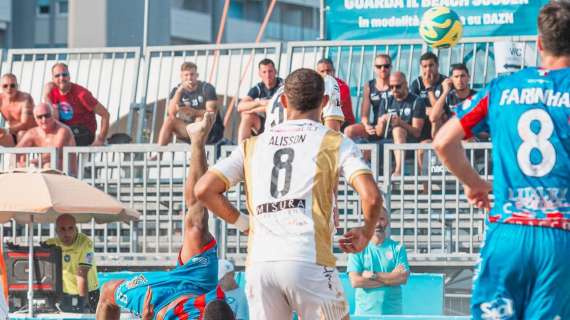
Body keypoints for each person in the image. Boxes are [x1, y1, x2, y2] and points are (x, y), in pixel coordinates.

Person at [196, 68, 383, 320]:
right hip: (308, 257)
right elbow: (371, 196)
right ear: (324, 102)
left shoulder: (252, 145)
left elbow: (204, 189)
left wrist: (244, 224)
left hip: (261, 264)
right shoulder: (334, 141)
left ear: (283, 101)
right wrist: (367, 230)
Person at [433, 2, 570, 319]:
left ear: (539, 43)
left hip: (508, 231)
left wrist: (475, 183)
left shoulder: (501, 88)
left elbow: (442, 141)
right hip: (560, 236)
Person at [96, 112, 234, 320]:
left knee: (108, 291)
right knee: (197, 223)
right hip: (200, 286)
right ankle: (198, 140)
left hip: (159, 300)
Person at [348, 212, 409, 315]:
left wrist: (373, 275)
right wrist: (391, 279)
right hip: (365, 316)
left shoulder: (398, 248)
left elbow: (402, 278)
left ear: (387, 221)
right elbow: (355, 281)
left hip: (393, 316)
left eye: (381, 219)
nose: (377, 224)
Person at [156, 62, 224, 147]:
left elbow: (212, 113)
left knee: (200, 119)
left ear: (197, 75)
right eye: (186, 75)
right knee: (170, 120)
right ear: (181, 77)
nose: (189, 78)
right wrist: (179, 91)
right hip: (189, 130)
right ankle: (158, 154)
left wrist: (194, 112)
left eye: (192, 74)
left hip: (211, 132)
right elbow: (171, 113)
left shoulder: (207, 88)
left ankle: (196, 152)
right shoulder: (177, 90)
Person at [43, 63, 110, 146]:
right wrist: (46, 96)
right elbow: (53, 118)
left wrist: (100, 139)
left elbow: (105, 114)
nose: (61, 78)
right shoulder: (52, 93)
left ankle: (43, 159)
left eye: (64, 74)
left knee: (62, 137)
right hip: (65, 131)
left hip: (84, 132)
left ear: (69, 76)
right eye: (57, 76)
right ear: (52, 79)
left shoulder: (81, 94)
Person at [45, 214, 100, 313]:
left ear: (76, 229)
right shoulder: (50, 244)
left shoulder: (86, 243)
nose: (67, 233)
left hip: (89, 292)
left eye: (70, 228)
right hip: (64, 294)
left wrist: (84, 305)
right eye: (62, 229)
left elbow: (82, 274)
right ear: (56, 231)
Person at [375, 72, 425, 177]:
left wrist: (400, 123)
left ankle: (399, 170)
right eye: (391, 87)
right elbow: (379, 133)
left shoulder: (416, 101)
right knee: (365, 148)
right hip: (388, 141)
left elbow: (417, 132)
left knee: (397, 130)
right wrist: (382, 122)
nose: (394, 89)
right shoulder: (386, 101)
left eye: (398, 86)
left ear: (406, 84)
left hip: (409, 142)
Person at [265, 74, 345, 131]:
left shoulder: (280, 91)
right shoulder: (328, 82)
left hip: (268, 146)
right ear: (324, 100)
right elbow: (332, 134)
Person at [344, 54, 392, 142]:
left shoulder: (396, 84)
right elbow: (364, 115)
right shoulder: (369, 86)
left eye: (386, 66)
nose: (383, 69)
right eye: (379, 66)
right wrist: (366, 126)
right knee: (349, 131)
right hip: (375, 126)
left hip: (392, 125)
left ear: (391, 67)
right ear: (374, 68)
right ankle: (351, 155)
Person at [17, 103, 76, 169]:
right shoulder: (33, 133)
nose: (44, 119)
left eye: (47, 115)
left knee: (48, 165)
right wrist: (18, 164)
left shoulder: (63, 130)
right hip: (44, 171)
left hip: (68, 174)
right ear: (35, 119)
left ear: (53, 115)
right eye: (40, 117)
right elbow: (16, 151)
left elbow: (54, 153)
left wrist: (30, 163)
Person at [237, 58, 283, 142]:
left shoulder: (282, 85)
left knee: (248, 111)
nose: (267, 75)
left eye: (270, 71)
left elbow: (277, 106)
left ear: (275, 71)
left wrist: (255, 108)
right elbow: (240, 107)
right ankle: (242, 150)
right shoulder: (258, 87)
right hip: (265, 123)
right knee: (246, 116)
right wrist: (261, 102)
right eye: (264, 72)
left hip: (280, 124)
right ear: (259, 74)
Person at [429, 63, 477, 138]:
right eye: (456, 77)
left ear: (469, 78)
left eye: (462, 76)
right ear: (451, 80)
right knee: (424, 144)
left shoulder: (477, 97)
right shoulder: (448, 97)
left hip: (471, 136)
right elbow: (433, 118)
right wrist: (445, 92)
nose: (459, 80)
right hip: (451, 136)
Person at [316, 58, 356, 130]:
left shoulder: (341, 86)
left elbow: (335, 105)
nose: (326, 74)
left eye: (328, 71)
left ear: (333, 71)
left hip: (344, 123)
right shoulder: (315, 86)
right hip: (326, 120)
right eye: (322, 71)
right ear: (317, 73)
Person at [0, 73, 35, 147]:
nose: (9, 88)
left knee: (21, 134)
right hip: (12, 134)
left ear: (17, 86)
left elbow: (26, 124)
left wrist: (6, 130)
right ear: (1, 87)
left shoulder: (25, 98)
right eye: (5, 86)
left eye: (12, 85)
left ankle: (20, 158)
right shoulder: (0, 99)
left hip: (30, 133)